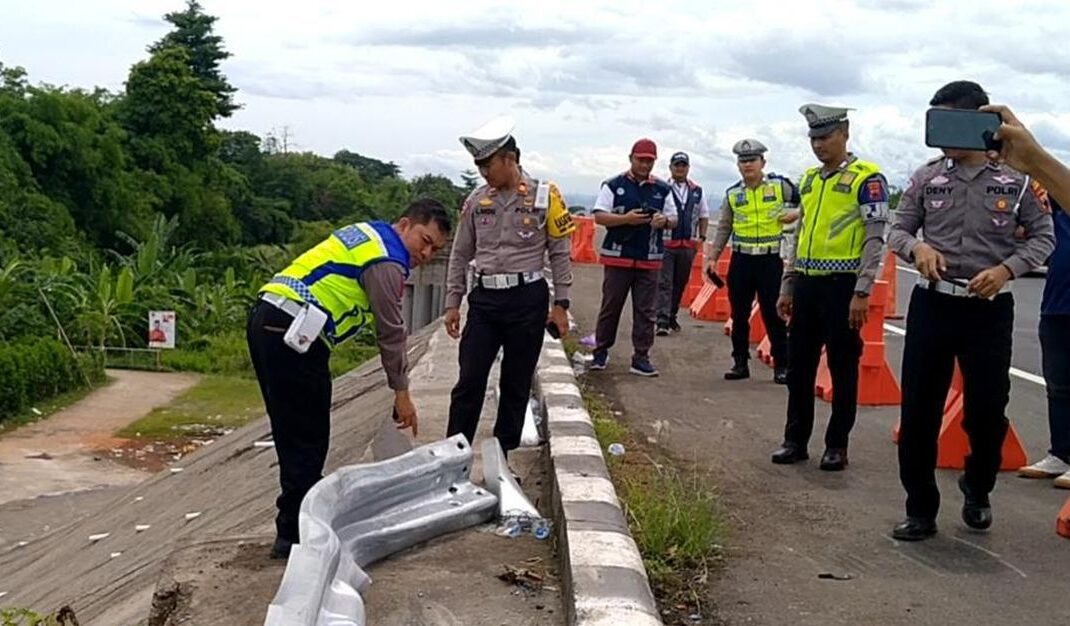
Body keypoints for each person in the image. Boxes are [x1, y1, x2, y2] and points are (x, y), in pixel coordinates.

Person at [887, 82, 1054, 541]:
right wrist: (916, 246)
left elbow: (1044, 237)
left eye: (947, 120)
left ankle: (977, 487)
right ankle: (920, 507)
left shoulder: (1018, 182)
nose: (938, 131)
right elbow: (897, 230)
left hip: (988, 310)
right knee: (919, 409)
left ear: (976, 122)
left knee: (987, 412)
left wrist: (1006, 270)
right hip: (934, 305)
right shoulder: (926, 177)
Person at [248, 199, 451, 559]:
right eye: (425, 240)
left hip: (271, 319)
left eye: (435, 248)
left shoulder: (369, 235)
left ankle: (294, 530)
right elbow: (391, 333)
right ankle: (296, 538)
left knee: (293, 434)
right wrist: (401, 393)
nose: (426, 252)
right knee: (308, 440)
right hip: (293, 333)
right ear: (404, 224)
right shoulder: (387, 262)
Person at [444, 116, 574, 456]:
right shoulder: (476, 201)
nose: (485, 173)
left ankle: (502, 456)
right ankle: (452, 455)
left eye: (489, 165)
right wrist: (452, 303)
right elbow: (460, 254)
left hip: (527, 298)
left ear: (510, 159)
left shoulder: (546, 197)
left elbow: (560, 253)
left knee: (516, 382)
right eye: (479, 166)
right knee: (469, 379)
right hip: (485, 300)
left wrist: (562, 304)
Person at [772, 104, 889, 471]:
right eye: (813, 139)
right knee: (799, 367)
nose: (819, 145)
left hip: (843, 288)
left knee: (843, 367)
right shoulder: (808, 180)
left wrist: (862, 290)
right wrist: (787, 286)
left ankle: (837, 444)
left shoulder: (867, 179)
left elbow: (875, 239)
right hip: (806, 284)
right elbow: (799, 235)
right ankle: (795, 440)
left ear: (845, 133)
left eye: (825, 137)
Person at [983, 104, 1070, 490]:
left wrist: (1034, 157)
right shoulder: (1057, 200)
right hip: (1058, 302)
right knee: (1059, 383)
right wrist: (1024, 162)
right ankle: (1061, 452)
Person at [707, 139, 798, 383]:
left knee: (773, 313)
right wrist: (713, 257)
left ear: (762, 163)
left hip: (769, 260)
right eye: (743, 161)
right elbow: (725, 227)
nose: (748, 165)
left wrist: (796, 214)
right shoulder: (733, 194)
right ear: (738, 165)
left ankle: (782, 365)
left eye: (752, 160)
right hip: (742, 259)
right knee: (739, 314)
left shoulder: (780, 187)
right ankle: (739, 363)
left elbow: (809, 202)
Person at [589, 138, 677, 377]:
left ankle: (641, 357)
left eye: (650, 161)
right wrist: (626, 219)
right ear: (631, 158)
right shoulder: (613, 185)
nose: (645, 165)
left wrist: (664, 221)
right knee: (611, 307)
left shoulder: (662, 189)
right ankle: (600, 351)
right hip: (618, 257)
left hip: (649, 258)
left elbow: (673, 217)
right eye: (641, 160)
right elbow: (599, 216)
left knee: (646, 311)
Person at [656, 151, 709, 335]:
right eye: (676, 165)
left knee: (680, 282)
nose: (680, 168)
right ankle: (661, 319)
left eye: (683, 165)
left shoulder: (697, 190)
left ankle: (671, 315)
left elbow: (703, 215)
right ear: (670, 167)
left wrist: (701, 238)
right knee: (664, 282)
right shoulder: (662, 188)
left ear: (688, 168)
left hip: (687, 245)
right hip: (666, 243)